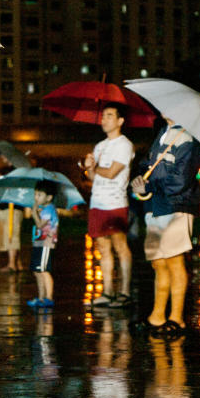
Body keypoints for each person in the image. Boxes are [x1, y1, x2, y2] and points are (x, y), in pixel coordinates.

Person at [130, 116, 199, 336]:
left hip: (175, 206)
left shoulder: (187, 138)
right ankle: (157, 315)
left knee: (174, 260)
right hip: (155, 206)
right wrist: (141, 182)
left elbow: (181, 180)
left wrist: (151, 185)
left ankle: (176, 318)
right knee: (159, 262)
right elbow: (146, 166)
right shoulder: (162, 134)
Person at [84, 102, 134, 308]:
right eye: (103, 116)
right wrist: (88, 168)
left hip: (115, 202)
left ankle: (124, 292)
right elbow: (92, 177)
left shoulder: (124, 144)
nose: (104, 119)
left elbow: (113, 172)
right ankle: (107, 292)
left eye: (109, 115)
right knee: (103, 248)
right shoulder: (100, 146)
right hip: (97, 201)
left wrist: (94, 167)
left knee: (120, 246)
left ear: (120, 121)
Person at [27, 179, 59, 309]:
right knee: (37, 270)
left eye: (39, 195)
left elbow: (40, 224)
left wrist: (34, 213)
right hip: (39, 242)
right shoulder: (44, 209)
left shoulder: (49, 209)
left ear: (49, 197)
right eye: (35, 194)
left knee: (44, 270)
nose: (36, 197)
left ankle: (49, 297)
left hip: (46, 243)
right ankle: (41, 297)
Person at [0, 197, 23, 272]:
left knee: (11, 236)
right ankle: (16, 262)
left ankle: (12, 264)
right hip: (5, 207)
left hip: (12, 208)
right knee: (6, 236)